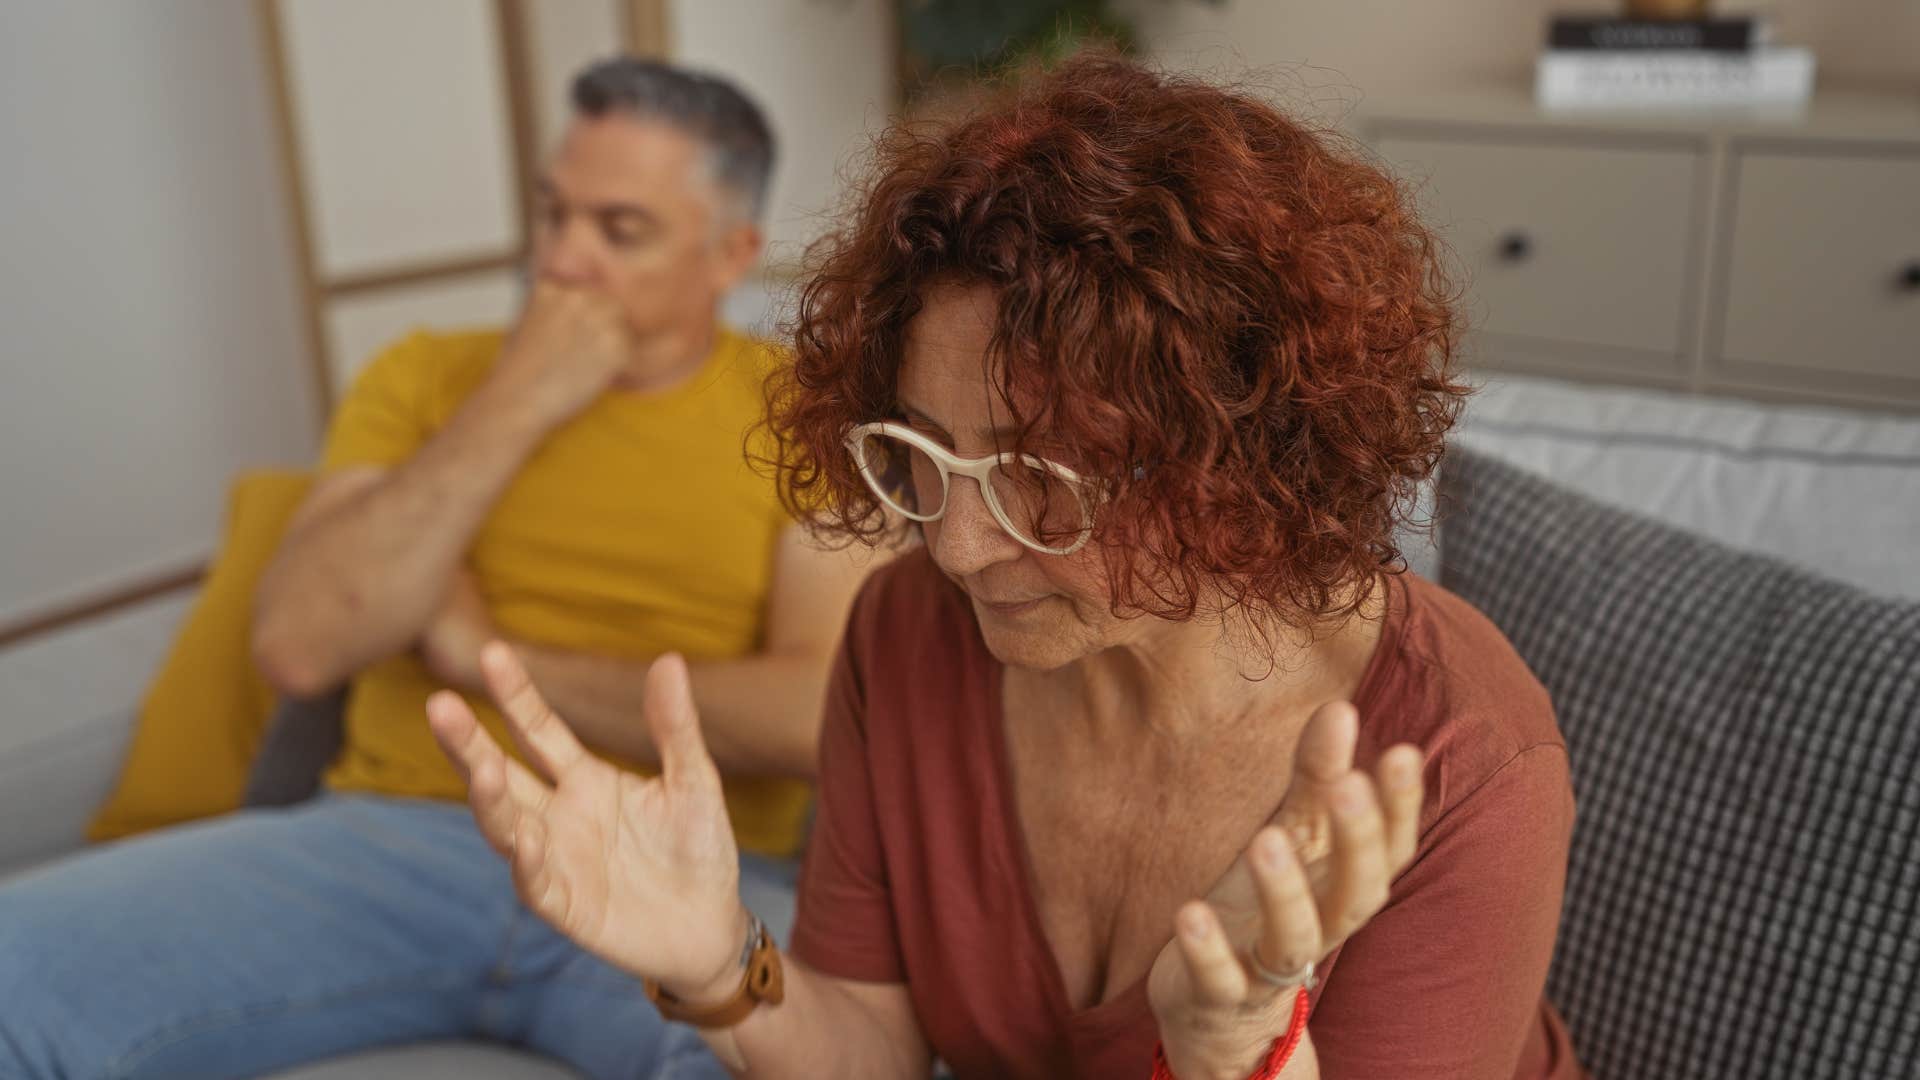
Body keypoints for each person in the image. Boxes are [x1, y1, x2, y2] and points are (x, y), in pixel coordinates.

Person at [427, 53, 1586, 1080]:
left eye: (1044, 478)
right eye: (924, 453)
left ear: (1234, 461)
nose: (955, 543)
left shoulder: (1463, 764)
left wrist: (1235, 1056)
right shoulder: (910, 634)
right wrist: (719, 956)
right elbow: (871, 1053)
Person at [0, 58, 874, 1079]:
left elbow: (816, 716)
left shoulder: (804, 415)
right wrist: (517, 400)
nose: (561, 260)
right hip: (392, 840)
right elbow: (300, 642)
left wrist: (483, 653)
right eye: (553, 215)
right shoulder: (425, 375)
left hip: (676, 874)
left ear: (731, 254)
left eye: (617, 230)